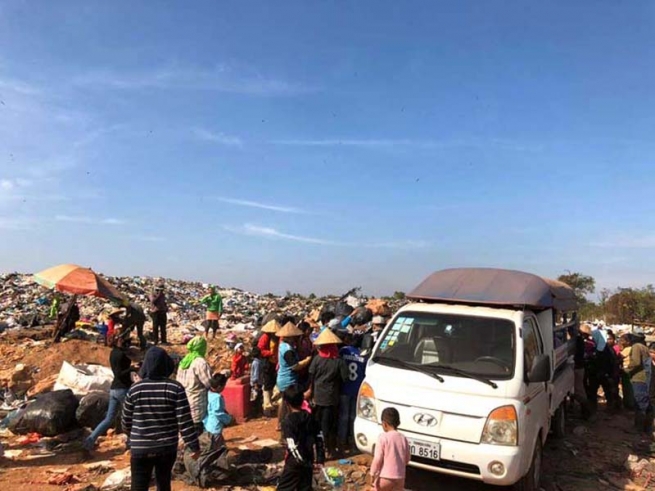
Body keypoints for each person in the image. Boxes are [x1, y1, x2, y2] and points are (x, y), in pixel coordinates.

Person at [122, 347, 200, 491]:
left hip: (140, 448)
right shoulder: (175, 388)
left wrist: (135, 437)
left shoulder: (134, 389)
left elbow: (126, 421)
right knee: (163, 483)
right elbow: (185, 421)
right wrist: (194, 446)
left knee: (138, 485)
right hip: (166, 448)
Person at [84, 332, 135, 451]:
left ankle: (90, 440)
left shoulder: (113, 353)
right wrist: (132, 368)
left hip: (114, 389)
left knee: (108, 419)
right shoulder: (121, 354)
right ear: (118, 340)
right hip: (122, 389)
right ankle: (131, 443)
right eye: (122, 338)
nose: (125, 341)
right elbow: (120, 374)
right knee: (131, 416)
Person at [305, 328, 348, 457]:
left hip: (318, 397)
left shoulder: (317, 360)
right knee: (330, 424)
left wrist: (310, 391)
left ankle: (319, 449)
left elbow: (311, 376)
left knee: (318, 424)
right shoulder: (339, 361)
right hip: (332, 397)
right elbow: (345, 377)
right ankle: (329, 449)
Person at [277, 385, 325, 491]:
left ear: (287, 403)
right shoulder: (312, 418)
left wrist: (303, 463)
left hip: (294, 464)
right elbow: (320, 439)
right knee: (305, 488)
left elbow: (292, 446)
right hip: (308, 458)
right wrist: (320, 460)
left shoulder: (288, 422)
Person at [277, 322, 312, 428]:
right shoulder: (287, 350)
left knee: (284, 403)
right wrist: (307, 360)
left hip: (284, 378)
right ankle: (285, 425)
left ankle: (280, 424)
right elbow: (295, 366)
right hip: (288, 379)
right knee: (288, 404)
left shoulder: (283, 345)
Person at [176, 337, 213, 435]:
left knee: (186, 430)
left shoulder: (184, 361)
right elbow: (209, 383)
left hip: (183, 401)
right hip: (197, 402)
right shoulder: (200, 362)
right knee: (197, 430)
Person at [370, 407, 410, 491]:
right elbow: (407, 459)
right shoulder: (403, 438)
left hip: (385, 477)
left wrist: (372, 473)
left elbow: (378, 459)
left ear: (384, 424)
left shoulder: (383, 437)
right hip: (400, 477)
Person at [338, 332, 366, 452]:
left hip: (344, 388)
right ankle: (353, 441)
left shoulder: (344, 351)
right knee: (353, 416)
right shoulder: (363, 355)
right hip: (357, 389)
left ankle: (342, 442)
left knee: (343, 416)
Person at [620, 334, 653, 432]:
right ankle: (647, 427)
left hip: (638, 378)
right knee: (645, 402)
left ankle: (638, 428)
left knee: (640, 402)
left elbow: (635, 362)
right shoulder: (644, 347)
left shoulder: (636, 347)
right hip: (645, 378)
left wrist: (626, 370)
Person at [204, 373, 232, 450]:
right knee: (217, 449)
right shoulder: (217, 397)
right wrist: (228, 419)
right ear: (219, 387)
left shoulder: (208, 393)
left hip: (208, 426)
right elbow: (218, 413)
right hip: (215, 427)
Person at [258, 319, 281, 414]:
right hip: (267, 362)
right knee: (267, 383)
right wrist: (270, 353)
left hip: (275, 363)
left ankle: (273, 402)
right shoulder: (265, 337)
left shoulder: (278, 338)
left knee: (274, 382)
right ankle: (267, 405)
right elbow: (260, 350)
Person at [570, 325, 591, 419]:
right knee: (579, 389)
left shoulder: (577, 340)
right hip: (579, 367)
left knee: (578, 390)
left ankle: (586, 412)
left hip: (577, 367)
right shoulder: (580, 340)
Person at [250, 347, 265, 417]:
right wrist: (255, 384)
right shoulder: (257, 363)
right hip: (257, 383)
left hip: (258, 382)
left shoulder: (257, 362)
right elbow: (256, 374)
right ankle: (256, 413)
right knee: (256, 398)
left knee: (258, 398)